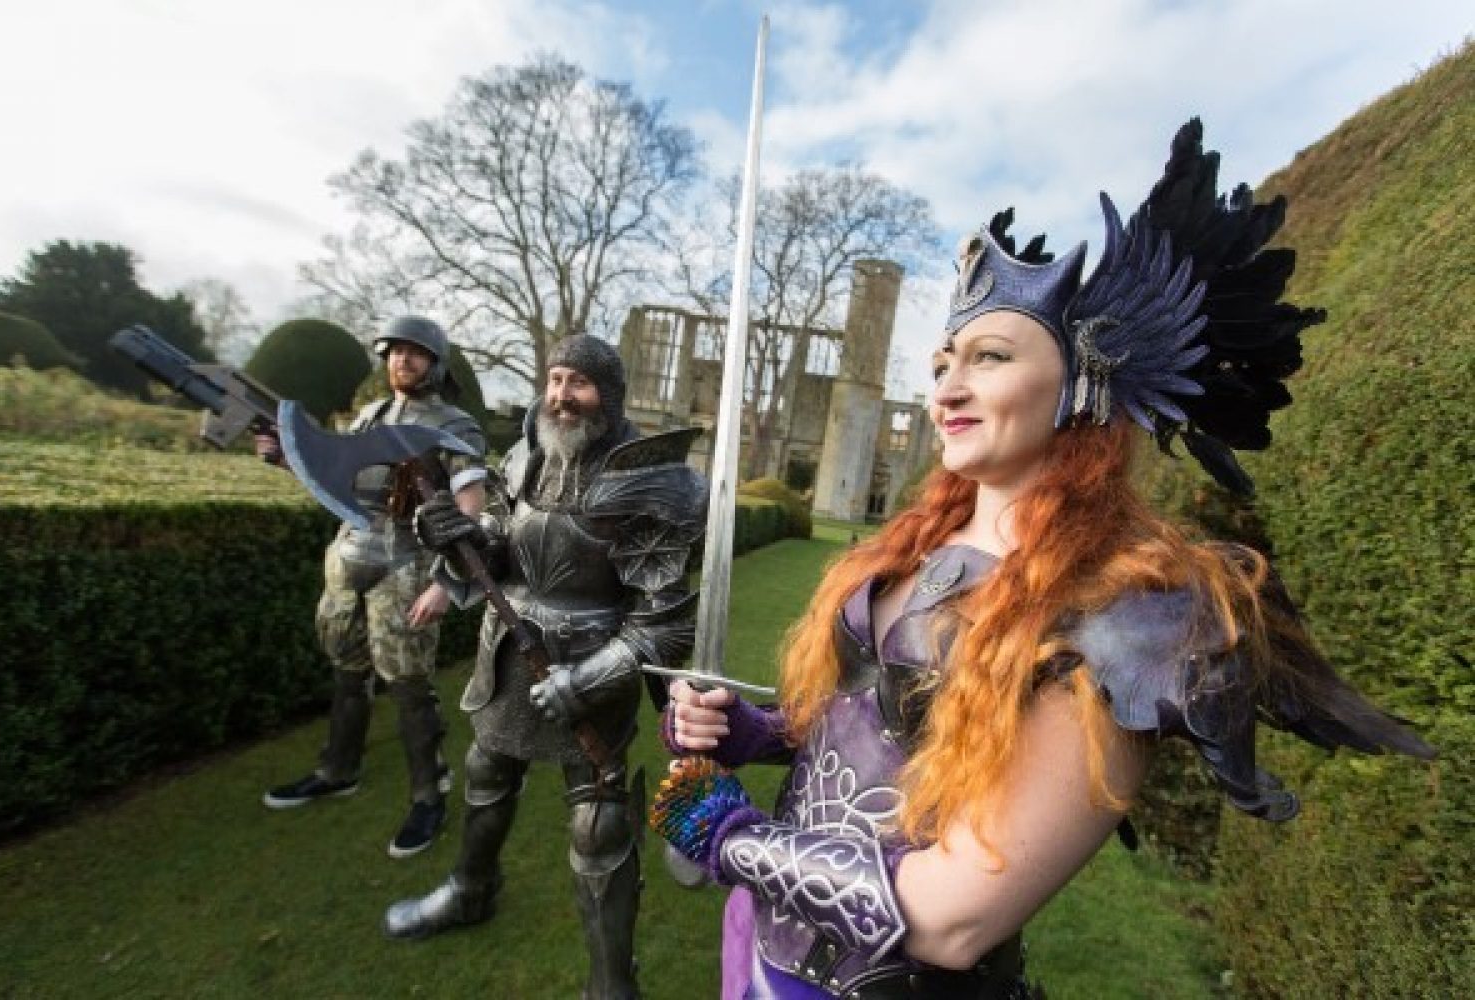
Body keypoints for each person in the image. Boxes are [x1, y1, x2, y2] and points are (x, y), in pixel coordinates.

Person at [652, 119, 1435, 999]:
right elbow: (873, 725)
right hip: (754, 950)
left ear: (1080, 386)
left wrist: (732, 840)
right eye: (945, 359)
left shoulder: (1125, 612)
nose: (947, 385)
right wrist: (758, 731)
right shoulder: (914, 547)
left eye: (989, 358)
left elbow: (956, 919)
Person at [384, 334, 707, 1000]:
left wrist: (589, 679)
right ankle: (471, 890)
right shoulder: (525, 454)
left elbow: (666, 622)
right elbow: (504, 551)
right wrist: (459, 537)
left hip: (596, 669)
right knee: (484, 771)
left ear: (609, 396)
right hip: (509, 650)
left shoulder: (655, 481)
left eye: (578, 382)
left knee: (598, 823)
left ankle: (611, 985)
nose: (561, 395)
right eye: (555, 378)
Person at [258, 315, 487, 861]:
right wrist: (287, 458)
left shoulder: (456, 426)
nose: (401, 361)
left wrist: (447, 580)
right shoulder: (369, 418)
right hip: (350, 559)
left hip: (406, 567)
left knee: (407, 685)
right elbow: (337, 483)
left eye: (414, 353)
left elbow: (471, 505)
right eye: (394, 352)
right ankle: (337, 770)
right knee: (347, 671)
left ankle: (428, 794)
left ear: (435, 362)